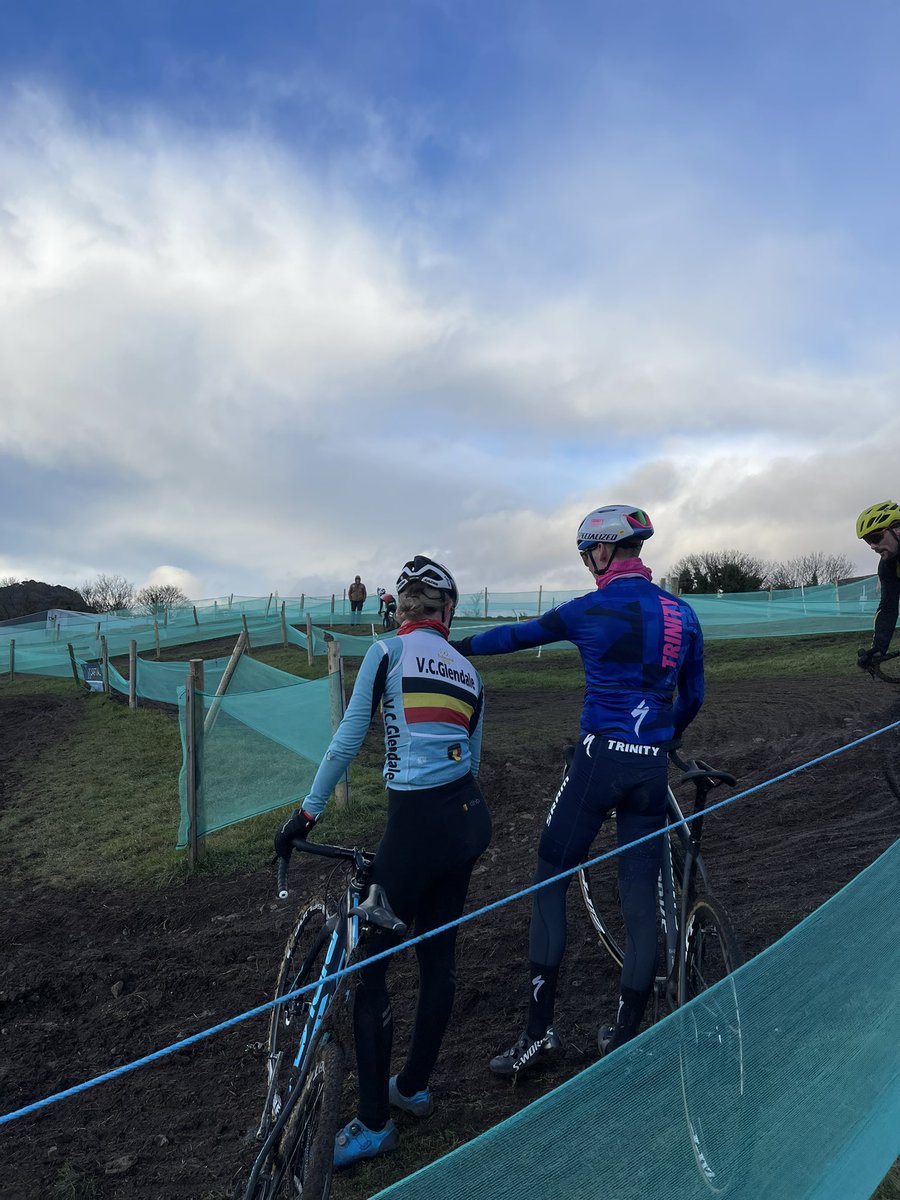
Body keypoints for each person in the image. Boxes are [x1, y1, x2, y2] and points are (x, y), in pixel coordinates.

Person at [451, 505, 704, 1075]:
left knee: (551, 879)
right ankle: (623, 1035)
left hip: (598, 763)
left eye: (588, 553)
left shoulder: (588, 608)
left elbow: (515, 636)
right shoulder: (683, 614)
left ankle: (538, 1037)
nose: (588, 563)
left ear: (605, 550)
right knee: (641, 905)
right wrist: (664, 738)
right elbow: (692, 696)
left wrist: (457, 644)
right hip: (649, 769)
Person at [274, 556, 491, 1168]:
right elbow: (472, 760)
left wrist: (307, 816)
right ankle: (414, 1088)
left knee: (369, 970)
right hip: (468, 819)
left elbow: (349, 738)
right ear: (447, 613)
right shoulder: (471, 673)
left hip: (419, 824)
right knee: (437, 959)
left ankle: (373, 1124)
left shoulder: (386, 653)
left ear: (400, 609)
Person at [855, 501, 900, 669]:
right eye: (868, 541)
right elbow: (888, 607)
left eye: (875, 537)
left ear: (897, 529)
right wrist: (878, 649)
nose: (873, 546)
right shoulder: (888, 566)